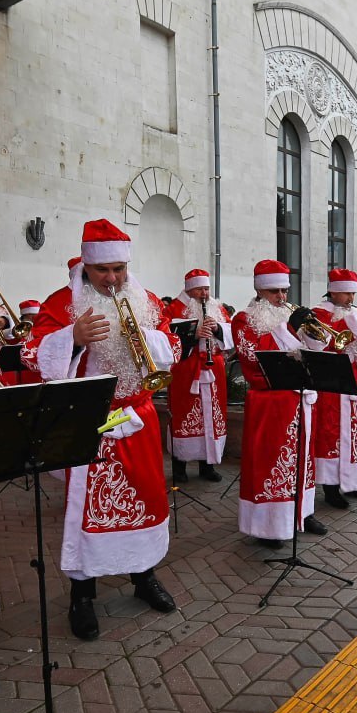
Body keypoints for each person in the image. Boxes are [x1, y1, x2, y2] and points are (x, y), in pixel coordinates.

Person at [21, 219, 179, 641]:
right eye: (103, 270)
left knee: (144, 500)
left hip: (137, 417)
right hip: (90, 423)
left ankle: (143, 576)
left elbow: (172, 346)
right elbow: (30, 353)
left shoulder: (144, 300)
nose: (112, 279)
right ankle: (82, 594)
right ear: (87, 267)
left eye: (119, 270)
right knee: (87, 513)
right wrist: (70, 337)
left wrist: (149, 338)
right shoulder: (63, 301)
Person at [231, 260, 328, 547]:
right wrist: (288, 327)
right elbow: (253, 355)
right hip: (269, 402)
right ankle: (269, 524)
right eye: (275, 291)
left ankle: (302, 511)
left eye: (284, 290)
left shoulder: (285, 315)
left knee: (302, 459)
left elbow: (316, 351)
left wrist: (311, 334)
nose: (282, 297)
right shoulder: (244, 319)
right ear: (259, 290)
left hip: (299, 398)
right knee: (271, 462)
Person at [311, 269, 357, 508]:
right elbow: (324, 343)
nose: (351, 299)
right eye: (346, 293)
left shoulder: (352, 313)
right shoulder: (319, 313)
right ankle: (331, 488)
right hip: (333, 382)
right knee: (332, 435)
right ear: (332, 291)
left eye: (353, 293)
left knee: (355, 437)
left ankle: (356, 484)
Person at [163, 268, 232, 483]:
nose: (205, 294)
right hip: (187, 371)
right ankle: (180, 466)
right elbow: (166, 338)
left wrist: (218, 329)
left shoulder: (216, 307)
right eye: (200, 289)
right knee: (184, 416)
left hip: (213, 371)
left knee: (211, 418)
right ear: (189, 290)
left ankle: (207, 465)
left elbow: (230, 331)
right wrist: (193, 335)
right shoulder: (174, 308)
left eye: (207, 289)